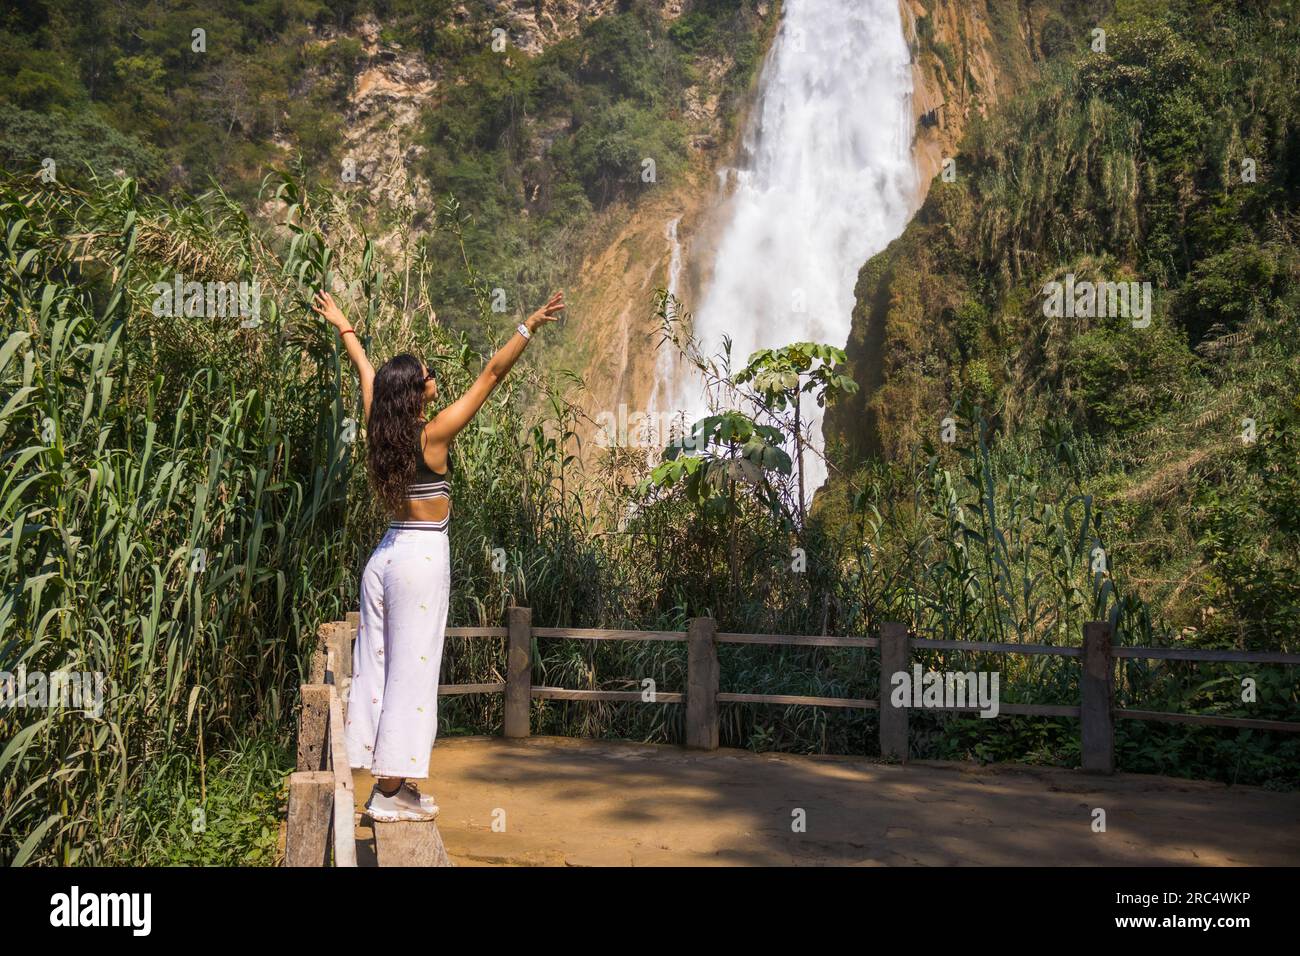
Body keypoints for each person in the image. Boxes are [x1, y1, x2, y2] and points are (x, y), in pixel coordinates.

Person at [312, 288, 565, 821]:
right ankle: (387, 792)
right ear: (416, 395)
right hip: (419, 559)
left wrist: (344, 328)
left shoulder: (380, 430)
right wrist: (529, 325)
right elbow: (491, 377)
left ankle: (393, 784)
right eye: (428, 375)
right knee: (413, 669)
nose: (434, 379)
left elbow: (365, 372)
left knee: (379, 665)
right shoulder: (433, 435)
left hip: (383, 557)